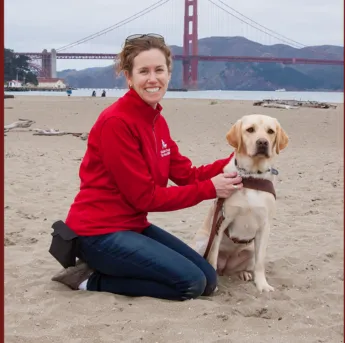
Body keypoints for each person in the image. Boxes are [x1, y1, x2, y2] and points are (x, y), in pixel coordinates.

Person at [52, 33, 243, 301]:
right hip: (98, 233)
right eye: (144, 71)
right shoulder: (116, 123)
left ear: (168, 74)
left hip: (132, 226)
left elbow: (187, 175)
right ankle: (88, 279)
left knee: (208, 280)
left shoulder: (156, 120)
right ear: (129, 78)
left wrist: (238, 158)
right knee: (190, 284)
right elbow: (144, 197)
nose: (153, 79)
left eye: (159, 70)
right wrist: (211, 189)